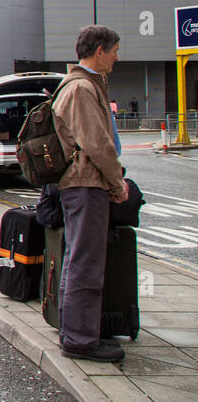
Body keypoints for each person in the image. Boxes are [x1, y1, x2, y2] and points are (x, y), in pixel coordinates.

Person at [54, 25, 129, 363]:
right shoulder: (83, 88)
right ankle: (80, 339)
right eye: (114, 49)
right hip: (86, 183)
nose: (116, 56)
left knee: (77, 258)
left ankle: (74, 330)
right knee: (85, 262)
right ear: (98, 50)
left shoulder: (79, 85)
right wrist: (117, 183)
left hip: (80, 183)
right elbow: (97, 144)